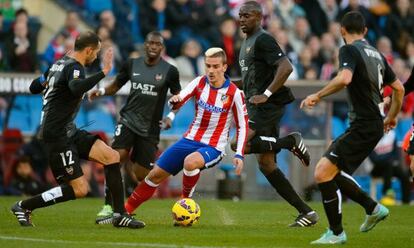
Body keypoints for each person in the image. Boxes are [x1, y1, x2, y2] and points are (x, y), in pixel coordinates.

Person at [10, 31, 144, 229]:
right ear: (88, 50)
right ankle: (24, 206)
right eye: (96, 52)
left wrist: (48, 82)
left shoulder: (59, 63)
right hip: (57, 136)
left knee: (112, 156)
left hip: (69, 130)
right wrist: (104, 72)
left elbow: (33, 87)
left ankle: (119, 215)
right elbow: (75, 88)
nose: (96, 57)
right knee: (79, 189)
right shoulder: (75, 67)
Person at [301, 11, 404, 244]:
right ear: (365, 31)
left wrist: (318, 95)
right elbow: (399, 89)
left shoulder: (348, 49)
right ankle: (372, 208)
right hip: (373, 124)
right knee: (330, 172)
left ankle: (337, 233)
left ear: (341, 30)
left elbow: (344, 78)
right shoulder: (377, 54)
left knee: (322, 172)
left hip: (364, 124)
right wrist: (392, 117)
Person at [122, 47, 248, 217]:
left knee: (190, 162)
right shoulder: (199, 82)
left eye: (216, 66)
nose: (211, 71)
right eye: (208, 66)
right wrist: (175, 101)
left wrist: (239, 154)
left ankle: (185, 203)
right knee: (154, 175)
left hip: (213, 146)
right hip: (189, 139)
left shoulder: (235, 93)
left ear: (224, 67)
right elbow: (180, 98)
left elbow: (242, 125)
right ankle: (124, 211)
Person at [234, 1, 318, 227]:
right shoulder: (246, 42)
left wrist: (267, 94)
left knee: (237, 144)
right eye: (240, 15)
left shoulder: (263, 39)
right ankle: (307, 212)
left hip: (266, 106)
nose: (242, 19)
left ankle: (290, 141)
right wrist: (227, 86)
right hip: (256, 105)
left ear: (259, 18)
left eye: (247, 15)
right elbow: (250, 80)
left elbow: (286, 66)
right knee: (267, 164)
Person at [88, 31, 181, 223]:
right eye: (150, 43)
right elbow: (116, 85)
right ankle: (108, 206)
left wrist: (170, 116)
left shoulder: (170, 71)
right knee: (113, 158)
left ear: (162, 48)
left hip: (150, 129)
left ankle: (131, 165)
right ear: (145, 45)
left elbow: (178, 97)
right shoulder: (132, 64)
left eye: (158, 44)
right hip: (128, 120)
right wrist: (102, 91)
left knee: (141, 175)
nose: (154, 47)